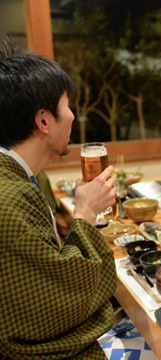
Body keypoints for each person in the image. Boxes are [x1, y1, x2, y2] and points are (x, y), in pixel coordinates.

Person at [0, 41, 117, 358]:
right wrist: (86, 211)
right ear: (44, 121)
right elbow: (63, 301)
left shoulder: (17, 176)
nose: (73, 115)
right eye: (67, 105)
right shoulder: (8, 199)